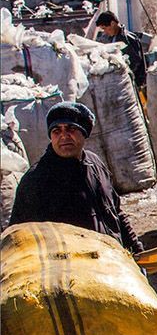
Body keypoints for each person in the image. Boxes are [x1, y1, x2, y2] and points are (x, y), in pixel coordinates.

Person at [8, 102, 143, 254]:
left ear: (84, 133)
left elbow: (115, 211)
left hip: (113, 260)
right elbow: (19, 236)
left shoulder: (95, 164)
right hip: (73, 270)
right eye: (56, 131)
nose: (64, 136)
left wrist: (135, 247)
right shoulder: (36, 180)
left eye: (71, 129)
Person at [95, 11, 147, 91]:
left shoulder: (128, 39)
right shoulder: (112, 38)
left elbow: (135, 62)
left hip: (133, 85)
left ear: (112, 23)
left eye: (105, 28)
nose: (105, 32)